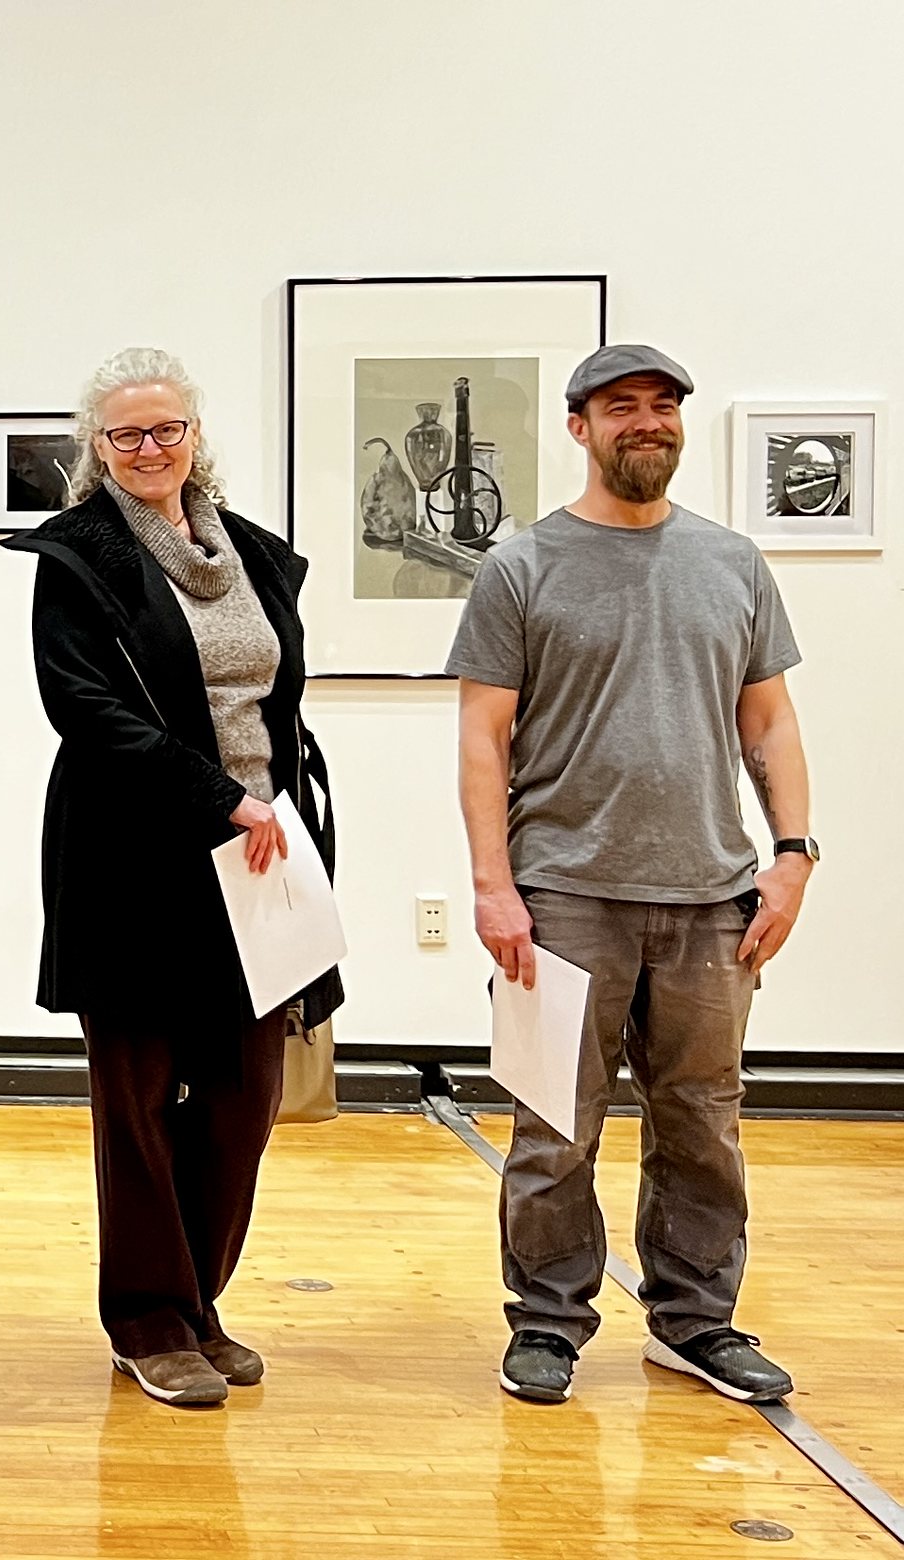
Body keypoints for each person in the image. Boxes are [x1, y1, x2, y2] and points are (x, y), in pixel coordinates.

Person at [450, 345, 813, 1407]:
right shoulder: (521, 566)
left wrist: (793, 855)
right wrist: (491, 883)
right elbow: (484, 738)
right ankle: (549, 1324)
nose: (646, 423)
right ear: (579, 428)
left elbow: (770, 720)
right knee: (553, 1127)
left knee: (704, 1121)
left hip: (713, 899)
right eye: (622, 408)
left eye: (663, 407)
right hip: (563, 894)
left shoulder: (735, 563)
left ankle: (695, 1322)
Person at [0, 348, 341, 1409]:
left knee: (244, 1096)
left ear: (197, 435)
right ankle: (147, 1319)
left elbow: (275, 700)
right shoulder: (80, 559)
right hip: (132, 857)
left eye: (167, 430)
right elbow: (86, 710)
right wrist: (215, 795)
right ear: (95, 449)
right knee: (140, 1097)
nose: (149, 450)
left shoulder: (251, 553)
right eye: (125, 435)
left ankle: (200, 1301)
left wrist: (271, 801)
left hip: (260, 856)